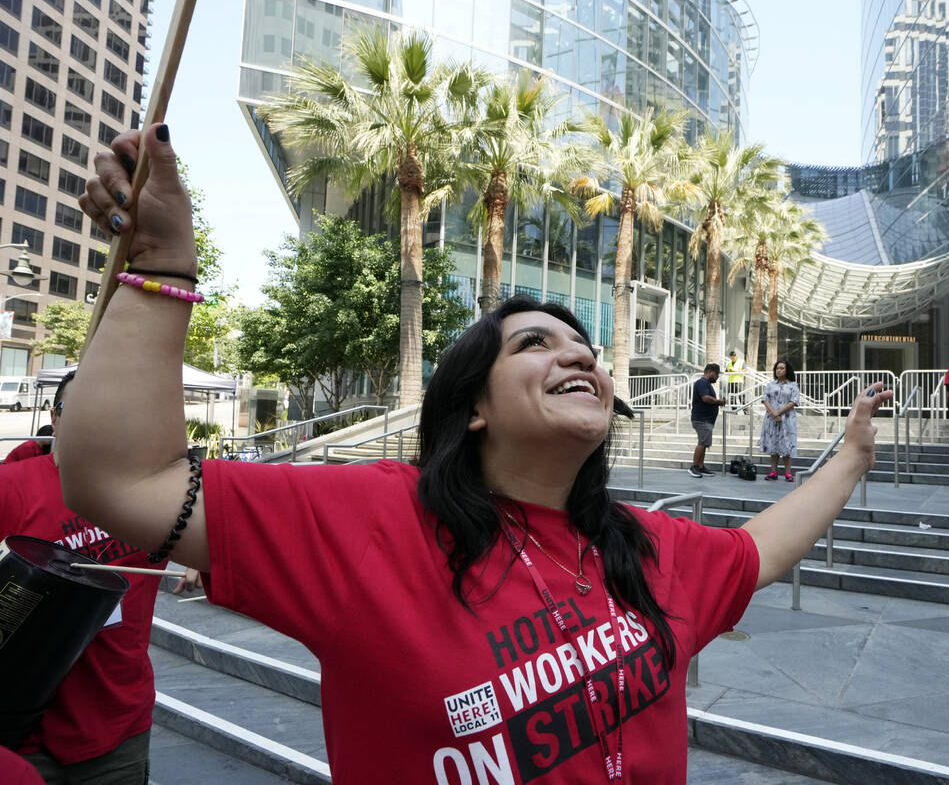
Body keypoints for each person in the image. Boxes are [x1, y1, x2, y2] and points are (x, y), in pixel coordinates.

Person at [60, 123, 893, 784]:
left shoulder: (648, 549)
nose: (579, 357)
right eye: (536, 342)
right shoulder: (377, 520)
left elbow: (760, 551)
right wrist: (163, 266)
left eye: (587, 350)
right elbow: (125, 480)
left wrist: (852, 454)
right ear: (476, 409)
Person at [0, 371, 199, 783]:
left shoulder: (153, 497)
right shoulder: (11, 486)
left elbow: (226, 526)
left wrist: (201, 556)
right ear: (55, 419)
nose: (96, 425)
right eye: (80, 412)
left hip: (119, 730)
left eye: (109, 414)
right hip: (19, 735)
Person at [760, 360, 802, 482]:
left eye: (782, 368)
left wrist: (779, 412)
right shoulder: (770, 385)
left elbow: (794, 401)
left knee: (787, 445)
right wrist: (773, 413)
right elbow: (764, 399)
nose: (779, 370)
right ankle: (773, 471)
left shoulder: (793, 385)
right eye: (777, 368)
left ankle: (788, 473)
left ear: (787, 370)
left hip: (787, 419)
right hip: (771, 419)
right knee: (773, 445)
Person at [690, 363, 726, 477]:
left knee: (704, 443)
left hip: (705, 420)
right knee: (702, 443)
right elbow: (705, 398)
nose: (717, 377)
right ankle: (694, 467)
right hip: (702, 419)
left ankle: (700, 466)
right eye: (716, 374)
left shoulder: (706, 383)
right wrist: (719, 401)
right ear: (709, 371)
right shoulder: (702, 382)